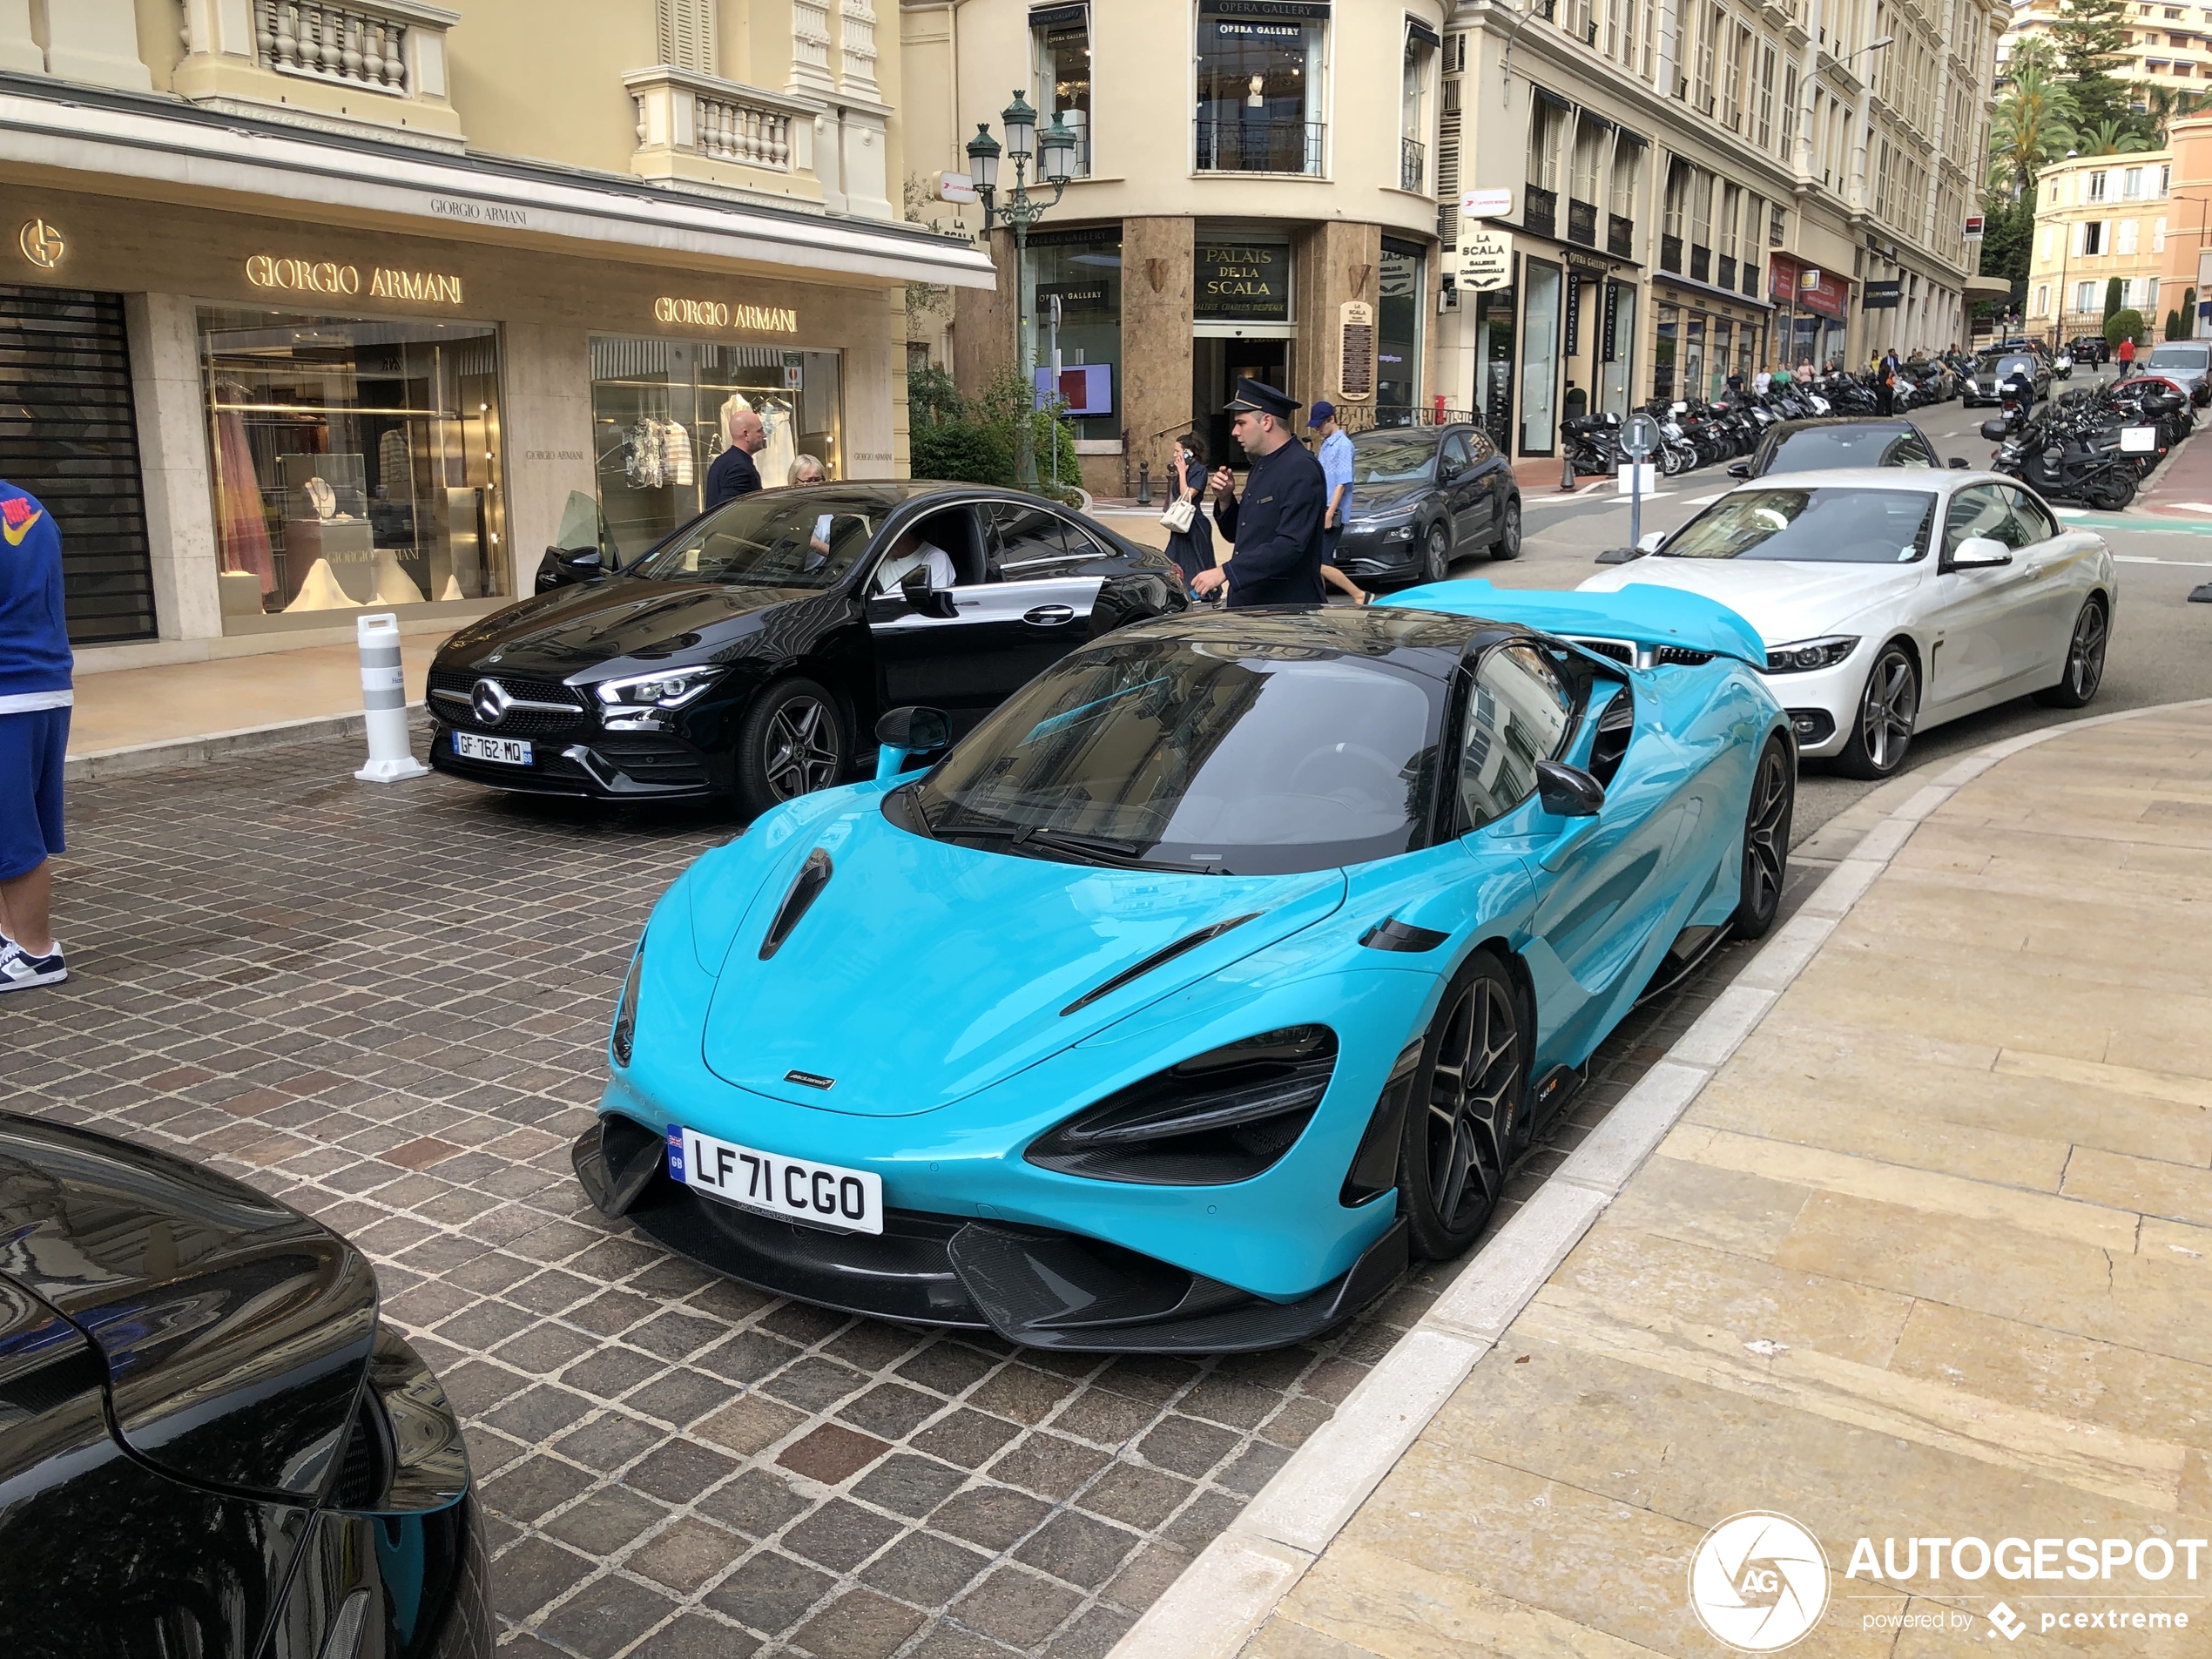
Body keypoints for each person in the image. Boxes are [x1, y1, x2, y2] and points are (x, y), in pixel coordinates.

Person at [0, 480, 70, 991]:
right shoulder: (27, 505)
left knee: (13, 832)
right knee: (17, 824)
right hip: (42, 681)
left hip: (7, 686)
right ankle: (13, 940)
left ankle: (37, 954)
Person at [1197, 380, 1326, 608]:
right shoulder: (1262, 465)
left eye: (1241, 423)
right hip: (1252, 605)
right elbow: (1243, 535)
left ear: (1266, 422)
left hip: (1285, 610)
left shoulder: (1301, 468)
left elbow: (1290, 544)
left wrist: (1226, 571)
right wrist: (1226, 499)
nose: (1234, 432)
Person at [1310, 401, 1369, 605]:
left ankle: (1359, 594)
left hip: (1331, 510)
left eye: (1320, 424)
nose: (1317, 429)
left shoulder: (1343, 446)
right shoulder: (1327, 444)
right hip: (1323, 508)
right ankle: (1320, 602)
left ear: (1331, 420)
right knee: (1318, 562)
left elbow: (1342, 483)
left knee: (1320, 563)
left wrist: (1329, 512)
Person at [1162, 431, 1216, 592]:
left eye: (1177, 451)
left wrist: (1183, 472)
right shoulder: (1183, 471)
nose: (1174, 455)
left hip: (1194, 523)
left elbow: (1187, 497)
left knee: (1200, 561)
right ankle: (1178, 592)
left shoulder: (1199, 471)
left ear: (1188, 452)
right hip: (1180, 523)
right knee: (1173, 559)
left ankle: (1210, 594)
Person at [873, 523, 957, 595]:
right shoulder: (883, 560)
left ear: (903, 535)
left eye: (887, 536)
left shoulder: (936, 558)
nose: (882, 542)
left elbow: (932, 602)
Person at [705, 408, 765, 508]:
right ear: (746, 435)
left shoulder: (722, 461)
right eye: (760, 431)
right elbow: (729, 511)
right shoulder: (740, 468)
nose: (764, 435)